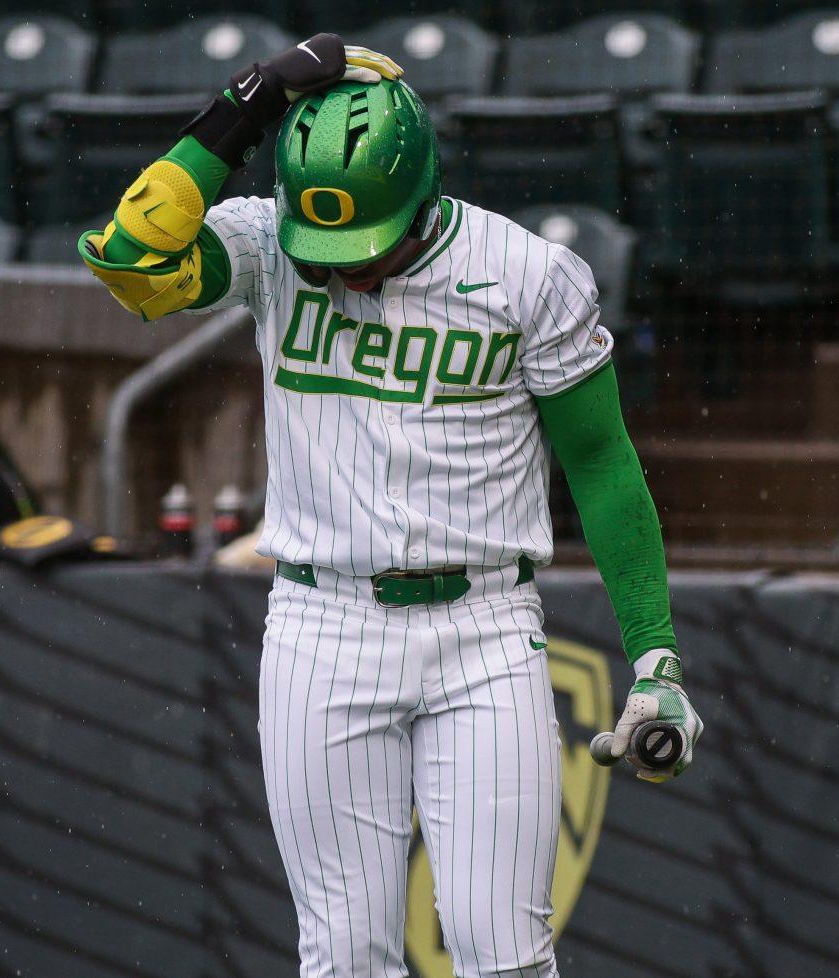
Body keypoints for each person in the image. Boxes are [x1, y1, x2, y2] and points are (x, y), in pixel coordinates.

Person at [80, 34, 703, 978]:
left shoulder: (527, 273)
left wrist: (655, 653)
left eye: (364, 247)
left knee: (504, 954)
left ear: (423, 192)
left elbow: (603, 463)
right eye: (324, 246)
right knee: (343, 956)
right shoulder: (267, 243)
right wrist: (246, 104)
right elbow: (129, 257)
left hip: (486, 628)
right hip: (319, 621)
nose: (345, 269)